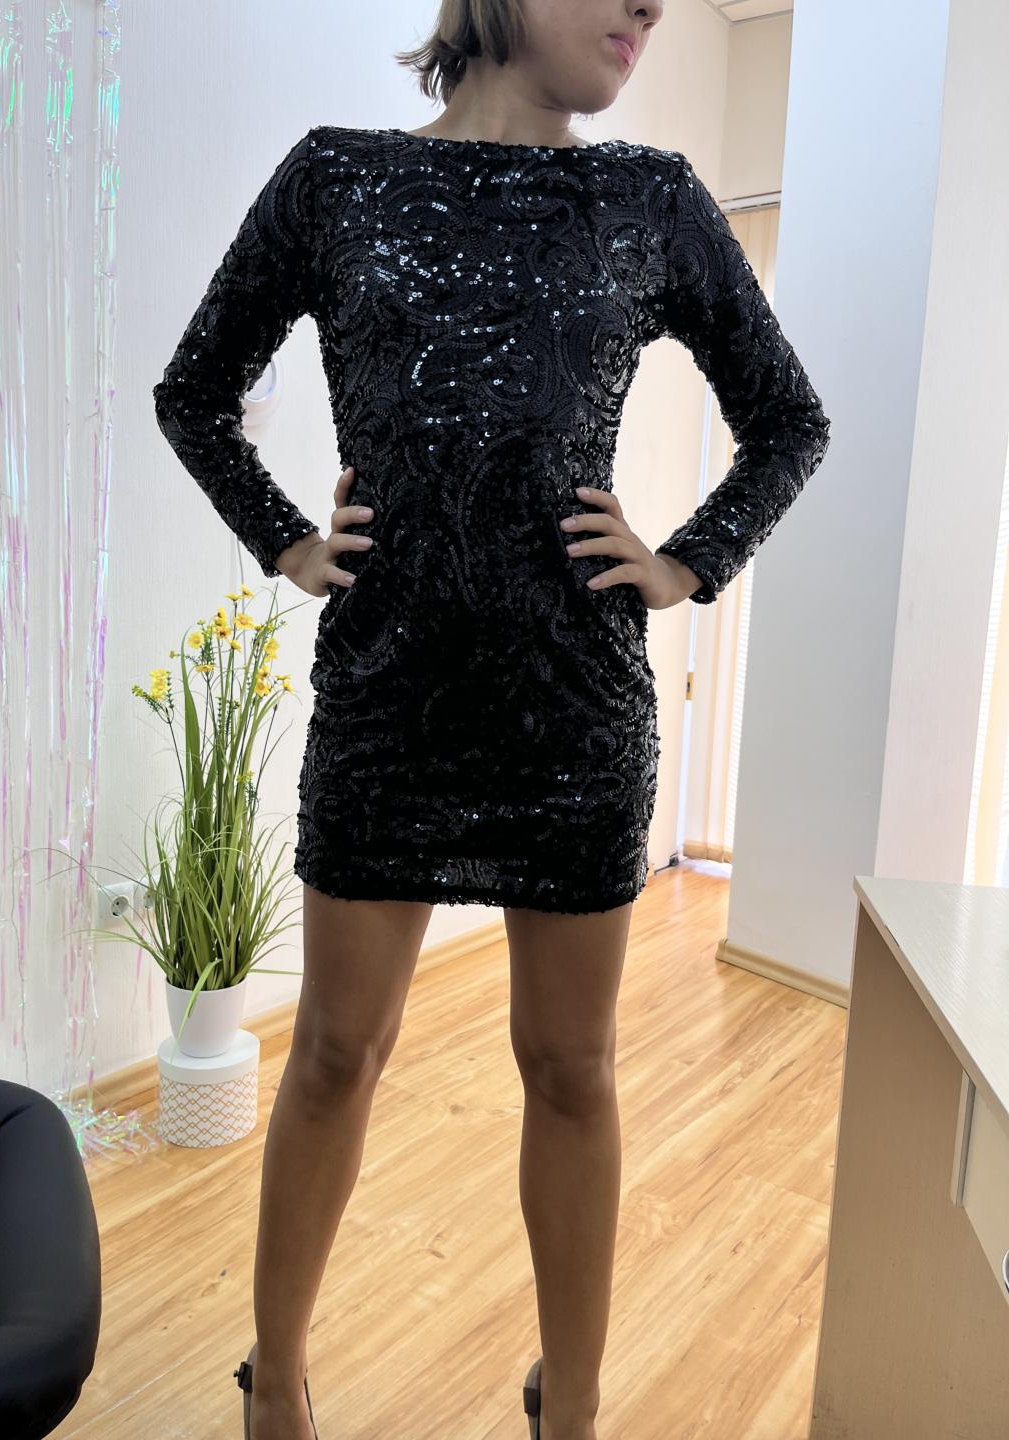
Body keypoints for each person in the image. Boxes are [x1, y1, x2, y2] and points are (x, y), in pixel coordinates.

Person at [152, 1, 831, 1435]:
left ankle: (568, 1401)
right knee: (335, 1054)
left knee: (571, 1067)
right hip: (386, 702)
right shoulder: (336, 179)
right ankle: (277, 1383)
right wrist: (287, 541)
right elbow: (195, 393)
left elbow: (790, 418)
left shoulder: (650, 198)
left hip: (575, 716)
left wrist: (687, 562)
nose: (650, 6)